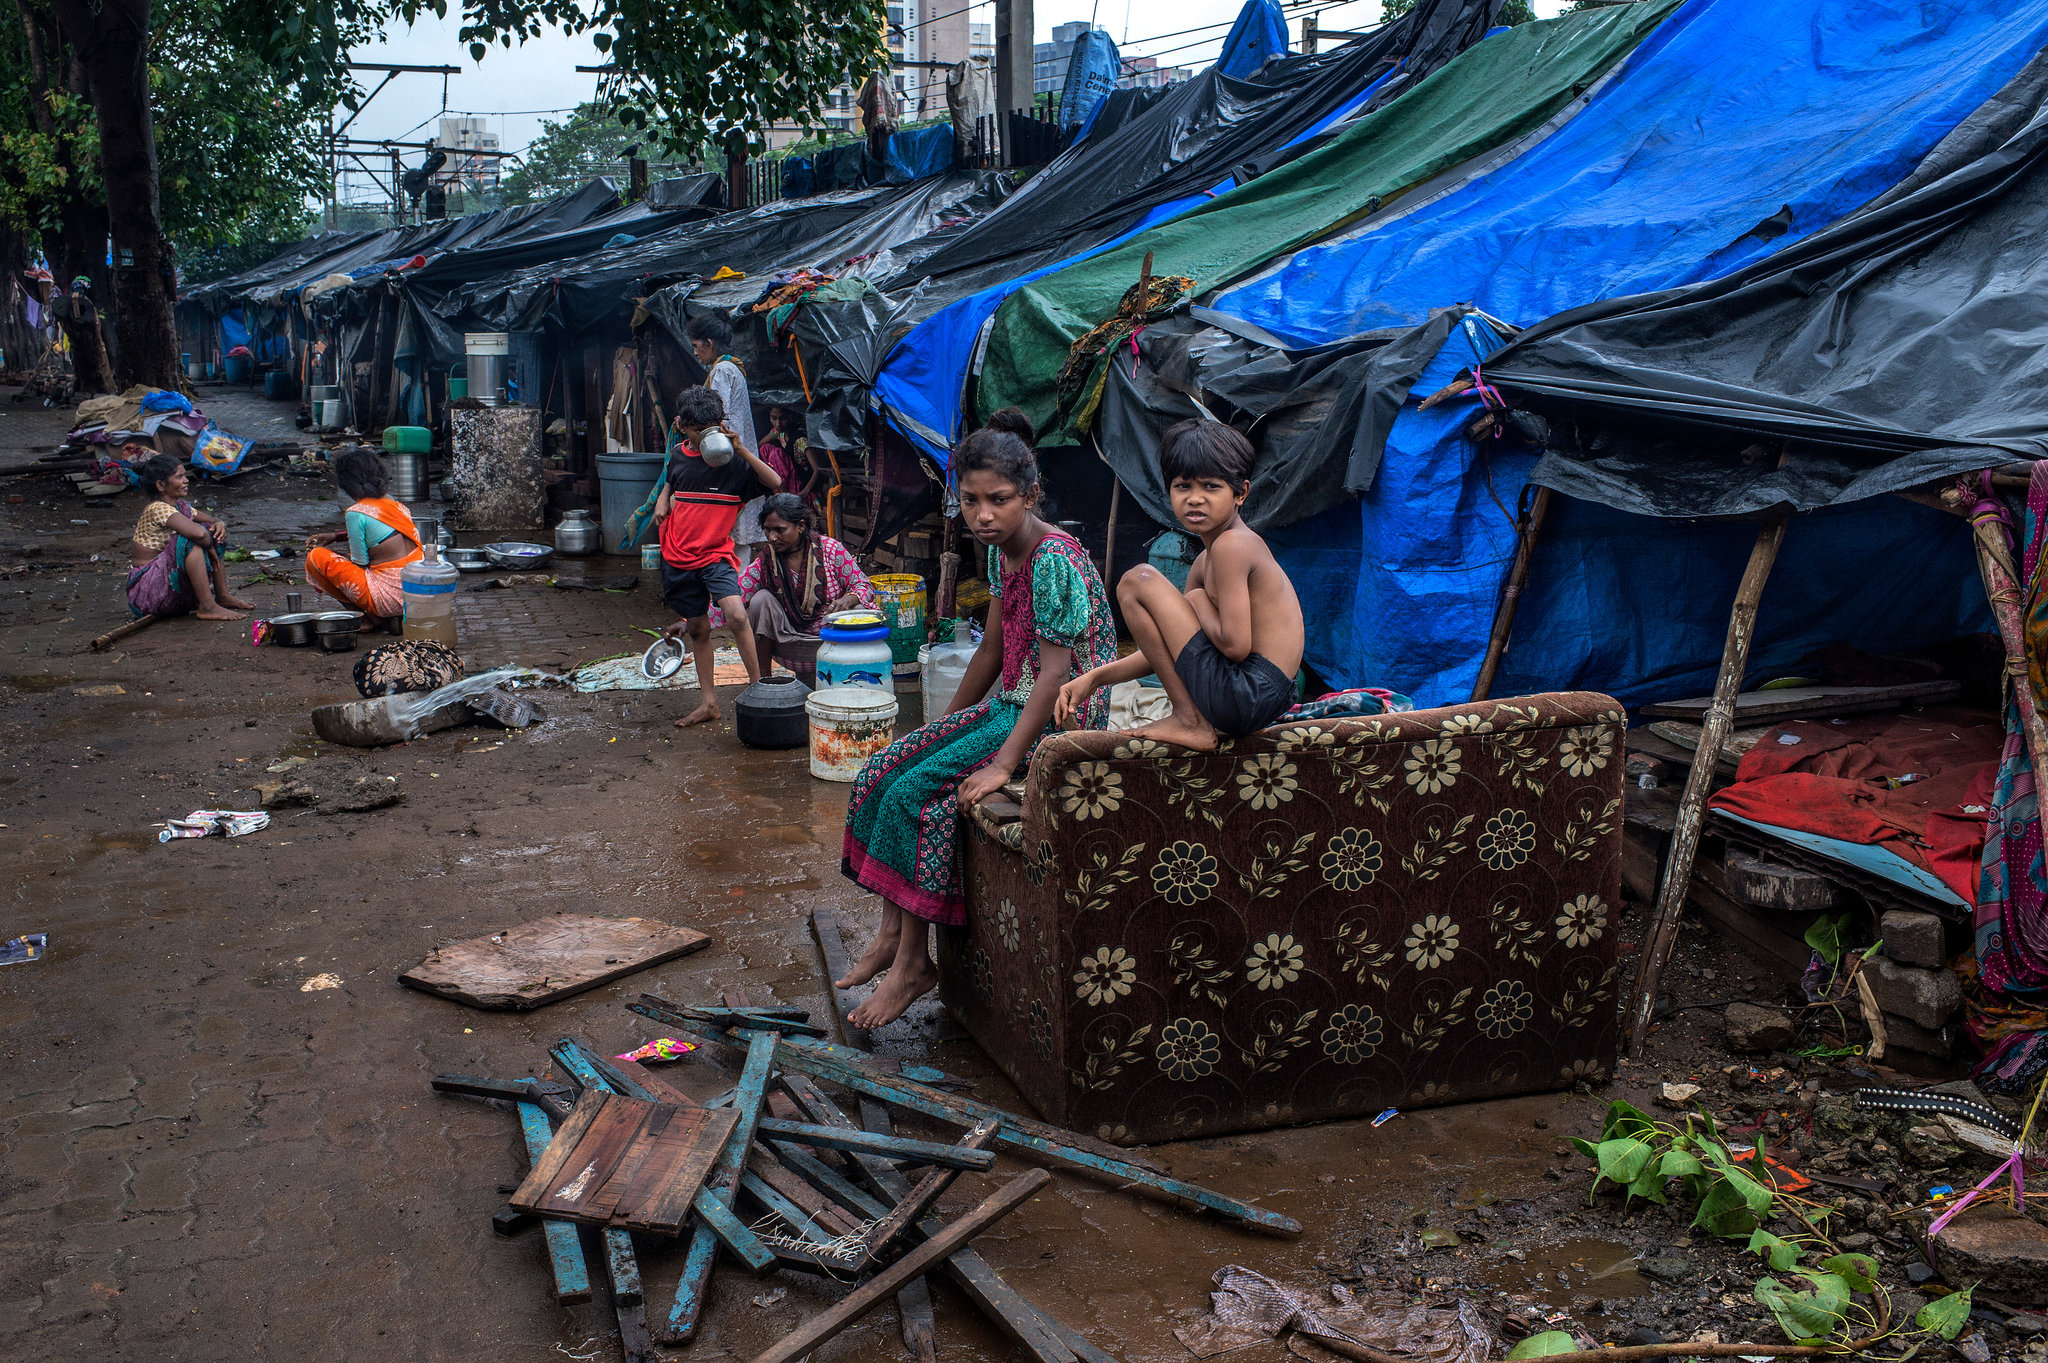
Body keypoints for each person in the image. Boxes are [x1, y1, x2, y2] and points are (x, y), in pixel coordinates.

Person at [838, 419, 1118, 1028]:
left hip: (1058, 711)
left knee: (920, 794)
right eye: (970, 501)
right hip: (1010, 704)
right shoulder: (999, 553)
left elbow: (1053, 676)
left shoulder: (1052, 560)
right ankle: (891, 932)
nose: (983, 515)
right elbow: (990, 652)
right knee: (886, 766)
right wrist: (945, 725)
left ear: (1030, 493)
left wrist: (1001, 763)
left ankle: (914, 963)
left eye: (999, 500)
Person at [1056, 418, 1304, 750]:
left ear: (1241, 492)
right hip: (1252, 698)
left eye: (1211, 487)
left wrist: (1198, 602)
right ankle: (1189, 717)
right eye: (1183, 486)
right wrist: (1095, 678)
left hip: (1251, 692)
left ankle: (1189, 720)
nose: (1195, 499)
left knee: (1135, 581)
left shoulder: (1234, 546)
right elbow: (1173, 646)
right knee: (1143, 586)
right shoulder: (1206, 560)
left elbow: (1235, 646)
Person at [655, 385, 783, 728]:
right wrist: (663, 497)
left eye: (712, 427)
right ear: (682, 426)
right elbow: (672, 477)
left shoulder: (734, 466)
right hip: (678, 555)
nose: (705, 437)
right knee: (698, 629)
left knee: (736, 616)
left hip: (715, 555)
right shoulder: (679, 455)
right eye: (699, 431)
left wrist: (740, 448)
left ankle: (759, 692)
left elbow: (775, 481)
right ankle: (709, 703)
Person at [730, 492, 877, 684]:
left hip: (833, 643)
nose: (772, 538)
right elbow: (734, 595)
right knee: (760, 600)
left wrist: (849, 598)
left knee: (859, 610)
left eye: (779, 530)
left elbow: (864, 586)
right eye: (767, 530)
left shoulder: (831, 550)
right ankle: (762, 683)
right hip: (789, 646)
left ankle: (851, 680)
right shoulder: (766, 561)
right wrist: (689, 621)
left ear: (800, 526)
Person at [302, 447, 425, 630]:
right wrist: (336, 536)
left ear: (346, 483)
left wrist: (340, 555)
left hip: (388, 600)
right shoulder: (393, 503)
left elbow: (361, 562)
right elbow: (380, 534)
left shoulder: (355, 513)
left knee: (316, 557)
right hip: (419, 595)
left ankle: (364, 620)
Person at [125, 454, 252, 621]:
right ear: (161, 485)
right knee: (191, 539)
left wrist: (219, 523)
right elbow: (198, 534)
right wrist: (209, 547)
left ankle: (222, 596)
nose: (186, 480)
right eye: (179, 477)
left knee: (213, 531)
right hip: (149, 591)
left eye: (185, 475)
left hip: (168, 586)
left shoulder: (179, 507)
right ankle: (207, 607)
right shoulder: (157, 508)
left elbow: (211, 521)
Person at [686, 313, 766, 567]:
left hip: (728, 457)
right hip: (738, 457)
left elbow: (717, 417)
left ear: (709, 343)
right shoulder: (733, 368)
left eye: (697, 346)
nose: (696, 353)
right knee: (738, 536)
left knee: (730, 533)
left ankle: (732, 593)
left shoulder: (721, 370)